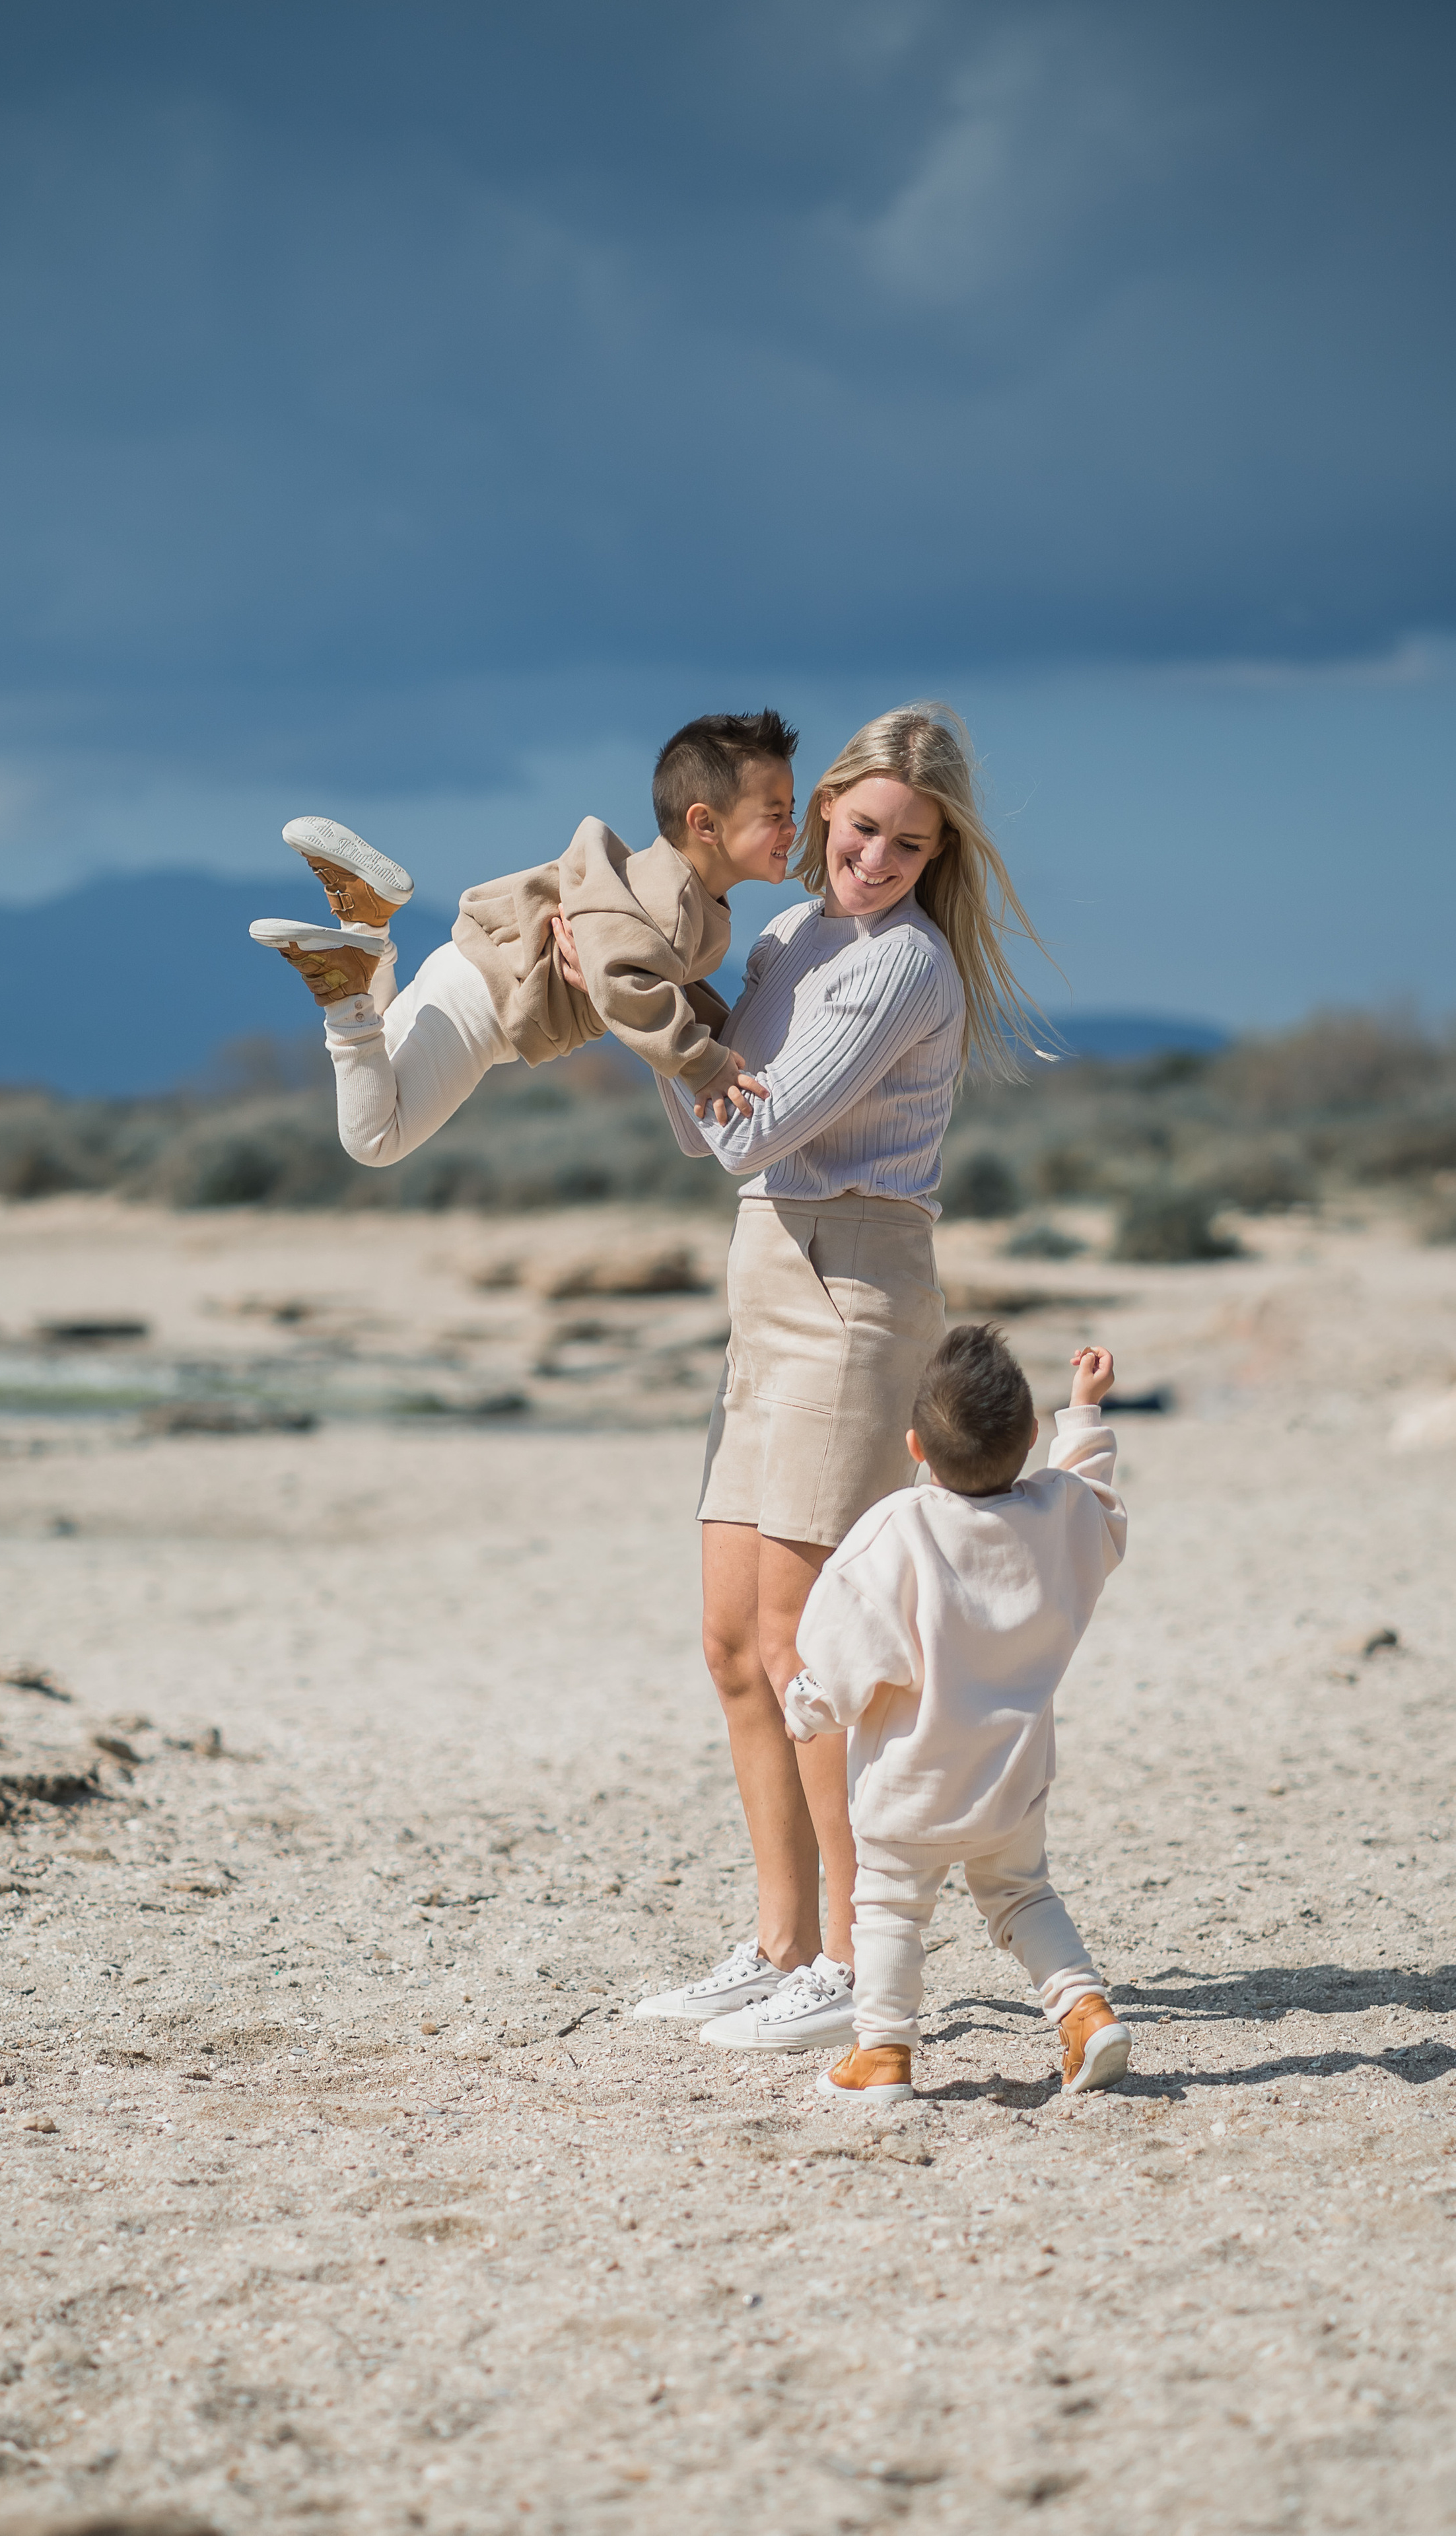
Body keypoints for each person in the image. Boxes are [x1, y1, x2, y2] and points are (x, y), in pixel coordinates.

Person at [587, 702, 1045, 2054]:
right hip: (766, 1282)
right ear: (823, 816)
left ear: (936, 850)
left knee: (804, 1656)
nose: (876, 859)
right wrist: (659, 1017)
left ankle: (850, 1956)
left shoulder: (901, 969)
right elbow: (704, 1122)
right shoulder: (787, 937)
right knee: (733, 1648)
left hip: (852, 1297)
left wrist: (646, 1009)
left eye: (909, 844)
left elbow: (753, 1125)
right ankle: (780, 1944)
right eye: (857, 829)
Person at [784, 1327, 1130, 2101]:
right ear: (1029, 1434)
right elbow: (1094, 1502)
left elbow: (843, 1664)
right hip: (1013, 1783)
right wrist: (1086, 1413)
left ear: (914, 1444)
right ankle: (1084, 2008)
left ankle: (880, 2056)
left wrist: (805, 1707)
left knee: (886, 1910)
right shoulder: (1057, 1516)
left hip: (911, 1788)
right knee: (1021, 1894)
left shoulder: (895, 1531)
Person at [245, 712, 798, 1167]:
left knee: (380, 1059)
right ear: (705, 824)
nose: (791, 830)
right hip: (486, 1009)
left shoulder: (664, 882)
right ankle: (345, 985)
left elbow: (665, 979)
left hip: (471, 967)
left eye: (791, 813)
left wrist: (721, 1039)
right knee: (373, 1142)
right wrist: (703, 1063)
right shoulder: (675, 904)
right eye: (775, 815)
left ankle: (365, 925)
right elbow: (619, 980)